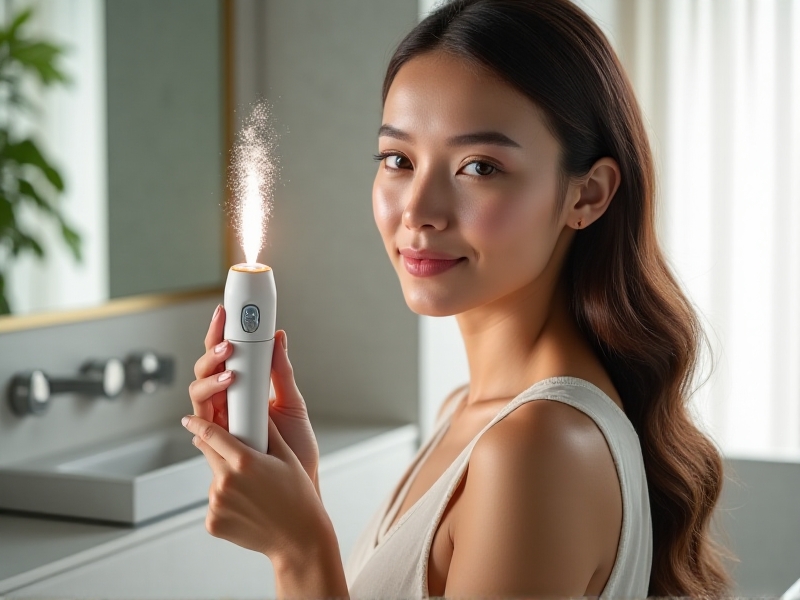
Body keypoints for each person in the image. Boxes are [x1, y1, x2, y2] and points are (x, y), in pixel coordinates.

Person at [184, 0, 731, 597]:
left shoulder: (536, 449)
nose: (418, 211)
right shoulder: (472, 413)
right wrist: (298, 495)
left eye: (479, 167)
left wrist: (298, 549)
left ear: (587, 195)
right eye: (398, 160)